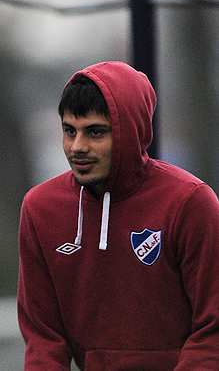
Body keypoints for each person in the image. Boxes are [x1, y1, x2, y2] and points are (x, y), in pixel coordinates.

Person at [17, 61, 219, 370]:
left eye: (95, 132)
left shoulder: (190, 202)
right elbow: (44, 340)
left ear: (131, 132)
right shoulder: (40, 208)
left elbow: (212, 331)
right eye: (69, 131)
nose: (77, 147)